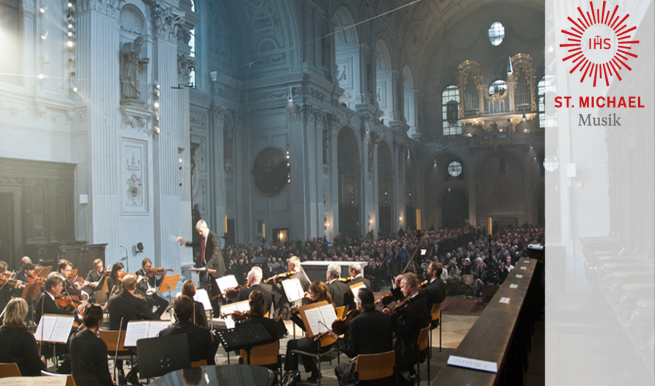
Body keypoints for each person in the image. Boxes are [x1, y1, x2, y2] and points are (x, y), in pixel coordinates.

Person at [328, 288, 394, 386]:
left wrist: (337, 338)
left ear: (359, 303)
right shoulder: (386, 318)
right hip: (386, 369)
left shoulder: (355, 322)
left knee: (340, 368)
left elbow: (351, 352)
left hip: (364, 372)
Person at [382, 273, 430, 384]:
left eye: (403, 287)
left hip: (409, 348)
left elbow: (403, 332)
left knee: (387, 350)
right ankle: (412, 373)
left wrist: (392, 319)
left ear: (409, 285)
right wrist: (396, 285)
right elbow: (402, 299)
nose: (401, 289)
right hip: (417, 342)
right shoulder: (420, 298)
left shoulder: (412, 309)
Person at [284, 281, 333, 382]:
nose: (309, 295)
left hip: (318, 343)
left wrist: (294, 317)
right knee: (302, 343)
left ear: (318, 294)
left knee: (291, 344)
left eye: (311, 293)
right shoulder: (328, 304)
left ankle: (292, 375)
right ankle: (315, 372)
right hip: (329, 342)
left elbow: (307, 328)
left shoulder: (313, 307)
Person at [177, 219, 226, 316]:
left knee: (219, 292)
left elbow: (215, 254)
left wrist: (206, 267)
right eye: (198, 231)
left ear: (205, 228)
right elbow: (196, 244)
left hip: (217, 269)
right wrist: (185, 243)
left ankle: (225, 311)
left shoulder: (214, 237)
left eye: (200, 231)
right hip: (209, 268)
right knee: (211, 292)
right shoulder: (203, 238)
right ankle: (215, 313)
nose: (199, 233)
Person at [159, 295, 216, 365]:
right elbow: (209, 361)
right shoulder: (204, 333)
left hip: (175, 374)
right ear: (192, 314)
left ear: (176, 315)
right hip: (198, 373)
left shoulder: (164, 334)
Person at [68, 305, 114, 386]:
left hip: (76, 383)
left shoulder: (73, 338)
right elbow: (104, 374)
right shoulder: (99, 344)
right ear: (99, 322)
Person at [0, 298, 46, 376]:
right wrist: (42, 363)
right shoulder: (25, 336)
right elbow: (34, 364)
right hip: (23, 378)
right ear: (23, 314)